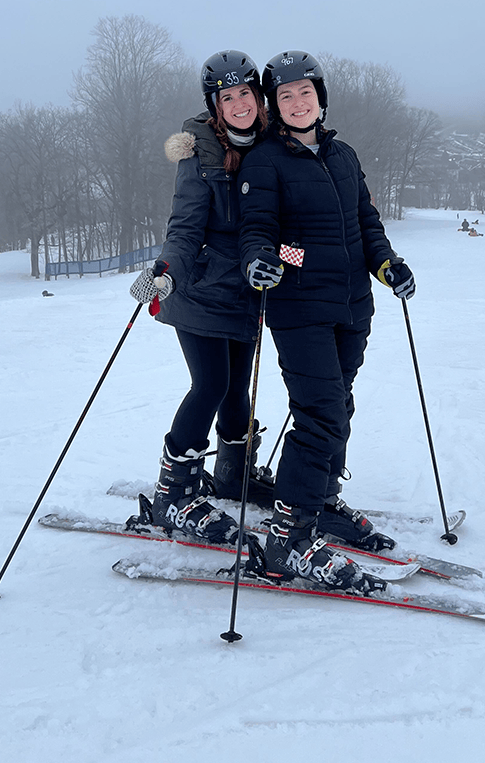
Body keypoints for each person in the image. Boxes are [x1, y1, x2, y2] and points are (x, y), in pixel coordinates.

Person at [238, 50, 416, 594]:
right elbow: (256, 230)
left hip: (352, 306)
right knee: (320, 415)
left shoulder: (343, 155)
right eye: (285, 95)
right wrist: (264, 259)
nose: (296, 102)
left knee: (339, 405)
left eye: (305, 92)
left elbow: (365, 222)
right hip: (299, 311)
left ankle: (322, 497)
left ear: (320, 97)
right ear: (275, 104)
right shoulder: (265, 161)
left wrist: (386, 264)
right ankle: (288, 536)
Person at [128, 50, 272, 546]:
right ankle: (175, 494)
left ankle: (234, 475)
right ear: (215, 104)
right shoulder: (199, 155)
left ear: (257, 95)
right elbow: (185, 228)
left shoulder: (273, 147)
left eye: (244, 93)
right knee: (210, 384)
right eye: (226, 96)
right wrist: (165, 273)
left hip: (248, 292)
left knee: (238, 391)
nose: (238, 104)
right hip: (199, 290)